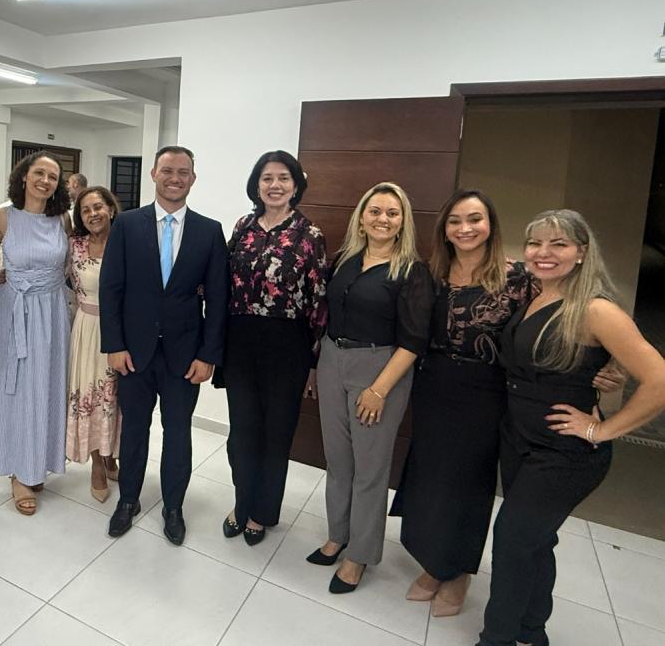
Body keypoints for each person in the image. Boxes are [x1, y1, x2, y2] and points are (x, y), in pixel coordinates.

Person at [477, 209, 665, 646]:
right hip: (520, 439)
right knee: (535, 542)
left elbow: (658, 380)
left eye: (558, 244)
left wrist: (602, 430)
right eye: (535, 243)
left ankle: (496, 638)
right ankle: (531, 631)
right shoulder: (537, 295)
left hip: (564, 453)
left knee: (512, 540)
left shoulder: (596, 310)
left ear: (581, 252)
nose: (543, 252)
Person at [391, 190, 534, 616]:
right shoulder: (432, 272)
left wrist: (598, 370)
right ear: (444, 228)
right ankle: (433, 563)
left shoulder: (518, 278)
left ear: (490, 224)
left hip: (485, 393)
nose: (465, 228)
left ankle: (458, 573)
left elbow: (552, 326)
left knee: (469, 484)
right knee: (431, 478)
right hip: (434, 386)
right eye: (455, 220)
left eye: (475, 219)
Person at [305, 182, 433, 593]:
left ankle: (359, 554)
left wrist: (379, 390)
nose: (383, 219)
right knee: (338, 460)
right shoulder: (345, 259)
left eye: (392, 213)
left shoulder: (411, 271)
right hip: (332, 359)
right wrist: (316, 366)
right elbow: (327, 316)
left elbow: (414, 341)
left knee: (370, 469)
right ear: (361, 217)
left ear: (402, 222)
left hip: (380, 370)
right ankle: (337, 535)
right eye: (375, 211)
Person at [99, 145, 228, 544]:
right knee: (134, 431)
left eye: (183, 172)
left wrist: (208, 355)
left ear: (193, 178)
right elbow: (111, 288)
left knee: (178, 433)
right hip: (133, 352)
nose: (175, 178)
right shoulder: (127, 224)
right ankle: (128, 500)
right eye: (168, 170)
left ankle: (173, 506)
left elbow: (218, 299)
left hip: (184, 356)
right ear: (154, 174)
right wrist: (114, 344)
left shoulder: (209, 231)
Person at [221, 151, 328, 546]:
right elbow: (223, 279)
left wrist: (314, 362)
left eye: (283, 178)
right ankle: (242, 502)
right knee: (242, 432)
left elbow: (318, 301)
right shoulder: (243, 226)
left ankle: (262, 512)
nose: (275, 185)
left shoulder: (309, 234)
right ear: (257, 184)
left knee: (276, 432)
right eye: (267, 178)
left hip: (288, 346)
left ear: (296, 185)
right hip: (240, 341)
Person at [0, 151, 72, 515]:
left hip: (52, 311)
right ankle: (18, 471)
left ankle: (37, 461)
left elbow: (73, 262)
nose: (45, 181)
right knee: (15, 389)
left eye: (53, 177)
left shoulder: (62, 218)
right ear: (24, 176)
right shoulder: (4, 215)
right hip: (13, 310)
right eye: (39, 173)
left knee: (46, 386)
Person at [67, 185, 122, 501]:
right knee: (90, 397)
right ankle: (97, 465)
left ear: (111, 209)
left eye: (98, 207)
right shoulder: (74, 246)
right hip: (87, 330)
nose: (93, 214)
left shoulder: (126, 242)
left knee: (115, 399)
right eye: (85, 210)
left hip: (120, 332)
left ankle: (111, 454)